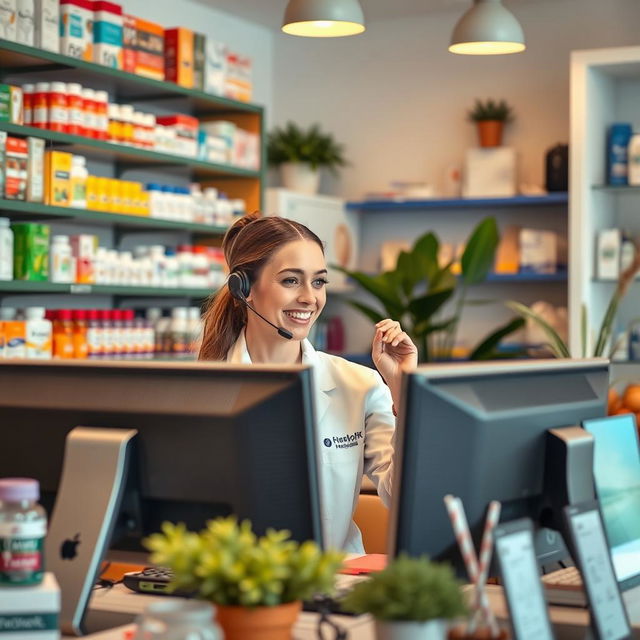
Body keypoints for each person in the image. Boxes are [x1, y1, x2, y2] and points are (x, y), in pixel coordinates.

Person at [199, 213, 418, 552]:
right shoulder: (202, 389)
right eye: (290, 281)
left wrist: (403, 389)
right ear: (243, 289)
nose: (309, 298)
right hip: (235, 582)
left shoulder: (358, 384)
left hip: (333, 582)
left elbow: (403, 497)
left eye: (318, 282)